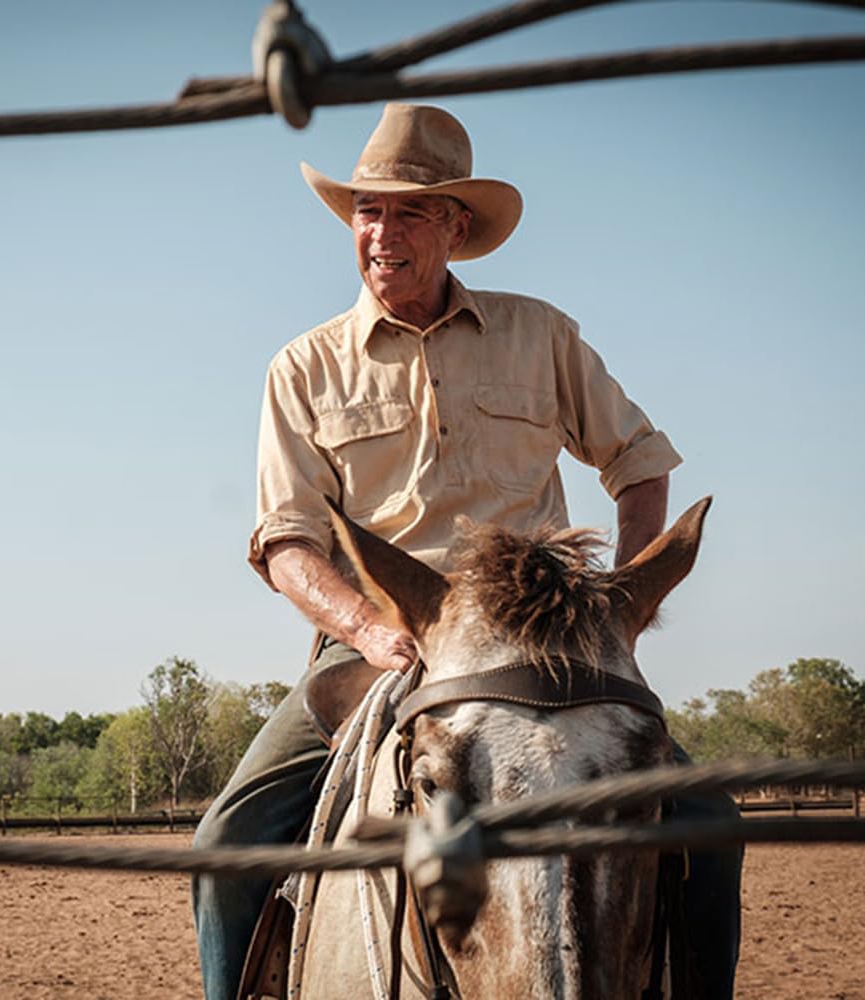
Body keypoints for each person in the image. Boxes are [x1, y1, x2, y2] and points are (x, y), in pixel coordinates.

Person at [192, 102, 741, 1000]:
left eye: (409, 211)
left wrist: (614, 614)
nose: (382, 231)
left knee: (708, 818)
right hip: (380, 644)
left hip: (543, 649)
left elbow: (641, 465)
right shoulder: (303, 367)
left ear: (456, 226)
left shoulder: (542, 334)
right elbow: (289, 542)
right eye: (368, 210)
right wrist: (370, 630)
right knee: (226, 845)